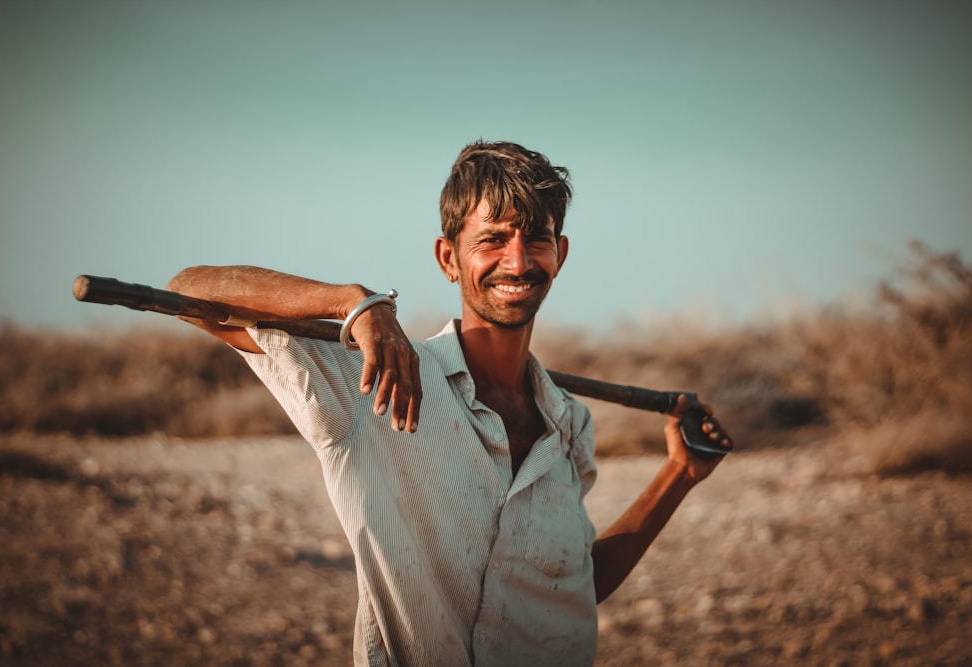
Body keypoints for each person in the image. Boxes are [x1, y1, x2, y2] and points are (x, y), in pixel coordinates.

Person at [168, 140, 732, 666]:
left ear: (559, 254)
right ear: (448, 258)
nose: (517, 261)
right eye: (492, 239)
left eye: (536, 238)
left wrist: (679, 475)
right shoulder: (371, 380)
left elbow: (573, 585)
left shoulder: (568, 423)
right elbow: (188, 290)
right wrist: (352, 303)